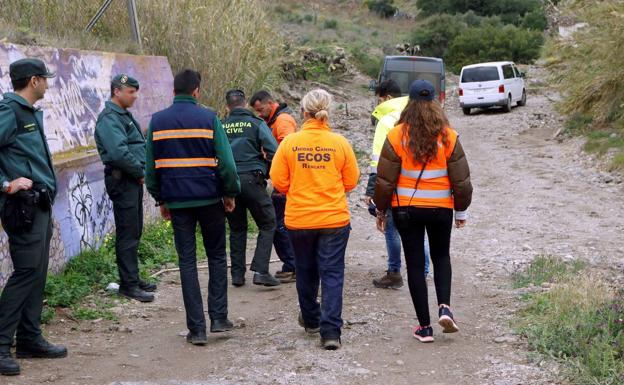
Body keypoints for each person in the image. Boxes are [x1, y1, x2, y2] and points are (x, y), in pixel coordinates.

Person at [145, 69, 240, 345]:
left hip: (177, 203)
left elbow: (150, 166)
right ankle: (219, 318)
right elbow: (226, 163)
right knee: (216, 257)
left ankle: (197, 330)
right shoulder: (209, 118)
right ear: (196, 91)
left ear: (173, 91)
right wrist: (230, 193)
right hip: (210, 200)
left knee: (187, 262)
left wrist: (160, 199)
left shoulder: (157, 121)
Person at [373, 79, 472, 343]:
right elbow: (461, 180)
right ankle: (445, 308)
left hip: (407, 210)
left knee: (415, 264)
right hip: (441, 208)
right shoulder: (449, 135)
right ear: (435, 104)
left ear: (410, 103)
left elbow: (385, 180)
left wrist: (381, 210)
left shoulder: (396, 135)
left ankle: (425, 328)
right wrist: (461, 212)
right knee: (441, 257)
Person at [270, 89, 360, 350]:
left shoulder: (290, 143)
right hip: (333, 219)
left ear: (303, 112)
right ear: (327, 112)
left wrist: (298, 188)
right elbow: (351, 181)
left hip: (299, 220)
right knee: (332, 274)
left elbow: (278, 181)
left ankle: (311, 320)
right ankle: (331, 332)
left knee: (305, 271)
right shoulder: (339, 143)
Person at [0, 58, 67, 376]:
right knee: (26, 272)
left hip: (38, 204)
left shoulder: (27, 112)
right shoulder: (9, 111)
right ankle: (0, 345)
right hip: (22, 207)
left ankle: (29, 338)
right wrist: (6, 184)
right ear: (34, 81)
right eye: (45, 79)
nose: (47, 84)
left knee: (37, 273)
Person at [364, 79, 430, 289]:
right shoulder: (424, 116)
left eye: (380, 99)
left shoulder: (387, 121)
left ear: (388, 98)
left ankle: (394, 273)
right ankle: (424, 270)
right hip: (424, 183)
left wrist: (372, 191)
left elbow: (378, 160)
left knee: (392, 228)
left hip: (397, 185)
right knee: (420, 231)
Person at [94, 74, 155, 303]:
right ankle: (128, 285)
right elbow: (119, 153)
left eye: (135, 91)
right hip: (124, 180)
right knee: (128, 232)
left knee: (134, 229)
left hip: (130, 180)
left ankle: (133, 278)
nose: (135, 96)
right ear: (117, 91)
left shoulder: (123, 116)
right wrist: (139, 172)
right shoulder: (110, 118)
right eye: (131, 91)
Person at [222, 89, 280, 287]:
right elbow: (274, 151)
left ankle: (237, 275)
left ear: (227, 107)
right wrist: (267, 171)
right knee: (268, 222)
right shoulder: (256, 124)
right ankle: (261, 270)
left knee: (237, 228)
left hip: (229, 183)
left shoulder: (221, 126)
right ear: (246, 104)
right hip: (252, 180)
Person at [250, 90, 297, 283]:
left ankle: (293, 266)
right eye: (257, 112)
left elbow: (287, 149)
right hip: (281, 181)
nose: (259, 114)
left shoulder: (282, 121)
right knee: (278, 224)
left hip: (285, 183)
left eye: (261, 109)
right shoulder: (273, 121)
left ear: (271, 103)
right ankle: (291, 265)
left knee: (279, 225)